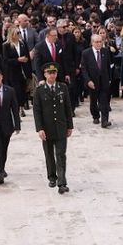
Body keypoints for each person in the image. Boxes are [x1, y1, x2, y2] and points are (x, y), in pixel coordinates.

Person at [33, 62, 74, 194]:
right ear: (45, 74)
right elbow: (37, 111)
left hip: (61, 127)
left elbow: (68, 107)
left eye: (54, 72)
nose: (52, 75)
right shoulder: (39, 91)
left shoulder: (63, 88)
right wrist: (39, 128)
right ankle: (52, 176)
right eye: (49, 73)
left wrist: (70, 126)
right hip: (47, 128)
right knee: (49, 154)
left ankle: (62, 182)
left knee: (61, 155)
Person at [81, 34, 112, 127]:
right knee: (93, 101)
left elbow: (108, 66)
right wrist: (88, 81)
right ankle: (95, 116)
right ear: (92, 43)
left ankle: (105, 120)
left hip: (104, 81)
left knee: (104, 101)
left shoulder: (105, 52)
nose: (99, 44)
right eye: (96, 42)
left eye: (100, 41)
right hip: (92, 81)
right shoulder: (86, 53)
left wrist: (109, 78)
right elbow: (84, 69)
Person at [2, 27, 31, 117]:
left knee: (23, 90)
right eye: (17, 33)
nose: (19, 35)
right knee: (16, 91)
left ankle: (22, 107)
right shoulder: (6, 45)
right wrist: (18, 60)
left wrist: (29, 71)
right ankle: (16, 110)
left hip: (23, 71)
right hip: (12, 72)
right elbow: (6, 60)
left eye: (19, 33)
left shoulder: (23, 43)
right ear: (12, 35)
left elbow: (28, 57)